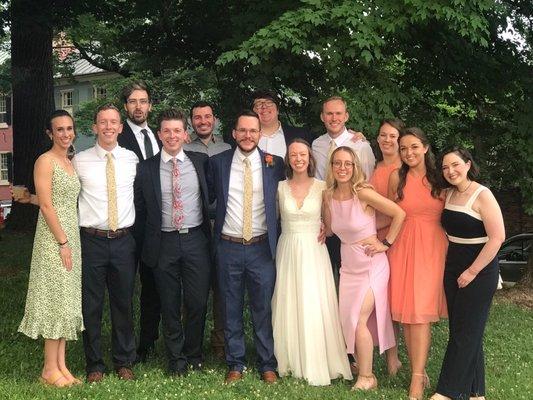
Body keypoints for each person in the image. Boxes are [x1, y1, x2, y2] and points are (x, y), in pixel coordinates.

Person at [207, 110, 285, 384]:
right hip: (228, 246)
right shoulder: (217, 163)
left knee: (263, 307)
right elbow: (210, 199)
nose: (248, 135)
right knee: (230, 306)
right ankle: (236, 362)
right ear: (234, 133)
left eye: (253, 131)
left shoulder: (275, 164)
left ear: (259, 134)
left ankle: (267, 363)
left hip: (261, 248)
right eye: (242, 130)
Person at [134, 108, 212, 376]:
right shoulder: (145, 169)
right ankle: (176, 359)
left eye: (177, 130)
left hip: (195, 241)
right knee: (168, 303)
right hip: (163, 242)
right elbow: (140, 210)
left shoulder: (201, 162)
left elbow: (212, 198)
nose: (172, 135)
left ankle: (194, 354)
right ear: (159, 134)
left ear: (185, 134)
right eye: (166, 130)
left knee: (197, 302)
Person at [323, 146, 405, 390]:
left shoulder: (363, 193)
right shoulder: (327, 196)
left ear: (355, 167)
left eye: (348, 163)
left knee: (358, 317)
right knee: (348, 318)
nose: (342, 168)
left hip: (372, 264)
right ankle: (361, 364)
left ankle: (367, 377)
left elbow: (398, 213)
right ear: (331, 167)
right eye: (337, 163)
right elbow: (329, 230)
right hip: (348, 266)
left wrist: (385, 242)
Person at [271, 139, 351, 386]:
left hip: (314, 251)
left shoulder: (322, 187)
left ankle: (319, 358)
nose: (298, 158)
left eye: (302, 154)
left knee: (313, 301)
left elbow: (330, 226)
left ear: (309, 157)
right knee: (288, 299)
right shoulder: (279, 187)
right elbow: (274, 220)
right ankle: (288, 358)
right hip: (288, 248)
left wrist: (324, 228)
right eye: (293, 154)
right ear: (288, 159)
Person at [430, 148, 505, 400]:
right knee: (465, 330)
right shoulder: (448, 194)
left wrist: (472, 271)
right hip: (453, 265)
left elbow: (497, 238)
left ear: (468, 164)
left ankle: (447, 392)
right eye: (445, 167)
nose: (450, 171)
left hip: (479, 269)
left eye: (455, 165)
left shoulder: (483, 195)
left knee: (464, 333)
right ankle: (476, 392)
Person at [18, 110, 83, 387]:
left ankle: (61, 366)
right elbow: (47, 206)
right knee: (54, 299)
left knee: (66, 299)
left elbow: (45, 198)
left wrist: (26, 198)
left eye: (69, 128)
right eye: (60, 129)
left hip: (72, 237)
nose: (66, 134)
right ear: (50, 133)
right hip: (54, 239)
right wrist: (62, 242)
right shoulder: (45, 161)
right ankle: (48, 368)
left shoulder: (68, 161)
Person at [75, 104, 139, 383]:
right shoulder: (80, 161)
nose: (109, 127)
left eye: (114, 122)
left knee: (123, 303)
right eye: (103, 122)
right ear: (94, 127)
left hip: (124, 241)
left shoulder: (132, 159)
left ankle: (124, 361)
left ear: (121, 128)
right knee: (92, 305)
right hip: (92, 241)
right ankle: (95, 365)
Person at [387, 127, 448, 400]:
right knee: (407, 314)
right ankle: (418, 372)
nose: (408, 152)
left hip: (432, 247)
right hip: (401, 246)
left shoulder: (440, 178)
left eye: (413, 146)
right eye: (403, 148)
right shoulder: (394, 178)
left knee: (421, 313)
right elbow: (389, 214)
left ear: (425, 147)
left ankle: (417, 379)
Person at [118, 81, 162, 363]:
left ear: (150, 105)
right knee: (123, 289)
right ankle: (125, 346)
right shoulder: (118, 138)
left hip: (154, 227)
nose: (138, 106)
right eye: (133, 101)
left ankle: (147, 343)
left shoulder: (159, 137)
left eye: (143, 101)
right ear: (126, 106)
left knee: (152, 287)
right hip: (126, 225)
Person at [184, 100, 230, 360]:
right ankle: (192, 343)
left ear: (214, 119)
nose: (203, 121)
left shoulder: (227, 148)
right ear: (191, 121)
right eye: (197, 117)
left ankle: (221, 343)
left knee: (222, 286)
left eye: (207, 117)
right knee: (194, 287)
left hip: (223, 224)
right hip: (196, 226)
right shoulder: (183, 148)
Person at [369, 118, 405, 376]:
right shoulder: (376, 165)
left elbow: (398, 212)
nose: (387, 140)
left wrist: (368, 227)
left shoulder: (402, 169)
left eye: (393, 136)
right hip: (376, 238)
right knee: (382, 298)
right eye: (383, 135)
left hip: (394, 237)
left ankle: (397, 357)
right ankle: (391, 355)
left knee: (397, 299)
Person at [312, 96, 375, 181]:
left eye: (338, 113)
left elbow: (369, 181)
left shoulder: (361, 146)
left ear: (346, 116)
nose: (334, 118)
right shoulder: (316, 145)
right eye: (329, 114)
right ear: (322, 117)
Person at [251, 90, 313, 158]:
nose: (264, 107)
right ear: (253, 111)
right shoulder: (245, 138)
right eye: (259, 104)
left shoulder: (302, 135)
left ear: (278, 110)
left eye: (269, 103)